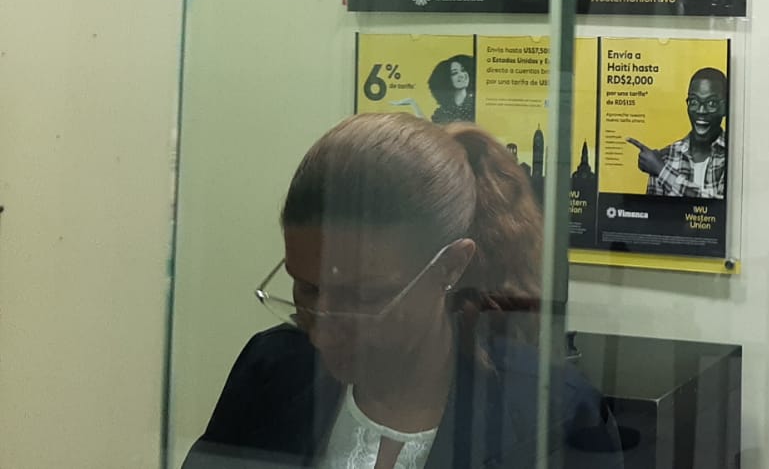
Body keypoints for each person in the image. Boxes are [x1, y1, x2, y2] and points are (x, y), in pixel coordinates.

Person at [183, 113, 620, 469]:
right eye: (307, 289)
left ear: (450, 267)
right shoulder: (272, 371)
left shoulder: (553, 414)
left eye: (362, 298)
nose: (322, 333)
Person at [626, 67, 728, 199]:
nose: (701, 111)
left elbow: (716, 206)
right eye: (694, 101)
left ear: (725, 108)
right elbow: (653, 211)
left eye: (711, 103)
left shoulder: (733, 157)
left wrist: (662, 171)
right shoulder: (665, 158)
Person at [427, 55, 475, 124]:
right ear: (446, 79)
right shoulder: (442, 112)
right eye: (454, 73)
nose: (461, 75)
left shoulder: (475, 104)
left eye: (463, 70)